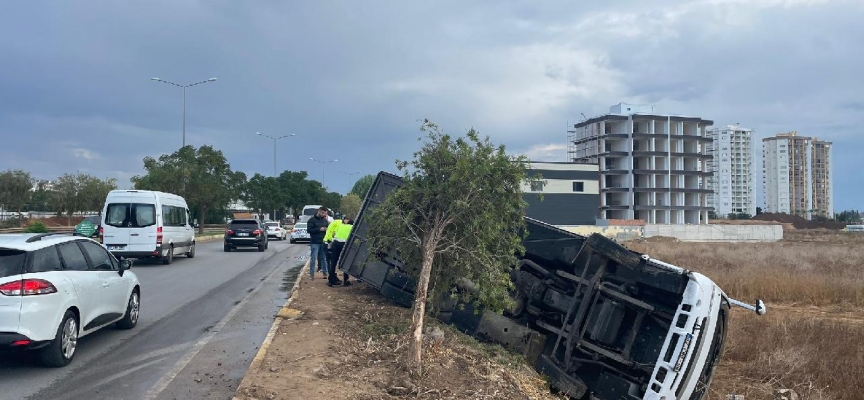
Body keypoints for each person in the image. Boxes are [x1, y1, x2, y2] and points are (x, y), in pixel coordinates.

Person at [326, 217, 354, 287]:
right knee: (345, 262)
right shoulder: (352, 227)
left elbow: (334, 234)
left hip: (335, 243)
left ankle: (330, 280)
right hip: (344, 244)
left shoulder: (341, 226)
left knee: (333, 262)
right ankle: (346, 280)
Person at [306, 207, 330, 279]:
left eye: (325, 213)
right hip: (315, 242)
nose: (323, 215)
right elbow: (309, 230)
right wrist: (319, 229)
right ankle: (311, 275)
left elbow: (329, 229)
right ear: (319, 211)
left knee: (324, 258)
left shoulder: (325, 220)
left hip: (323, 241)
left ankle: (325, 273)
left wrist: (327, 229)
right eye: (322, 213)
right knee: (313, 258)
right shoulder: (311, 220)